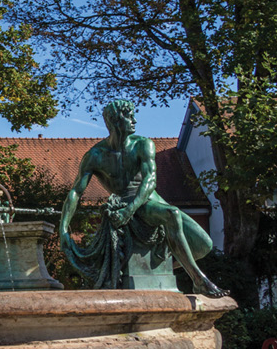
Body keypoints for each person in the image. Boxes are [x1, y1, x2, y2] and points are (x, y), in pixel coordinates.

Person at [59, 99, 225, 297]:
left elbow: (150, 180)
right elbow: (76, 192)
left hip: (147, 200)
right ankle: (199, 280)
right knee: (172, 214)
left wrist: (129, 210)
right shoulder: (95, 155)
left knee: (204, 244)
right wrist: (63, 228)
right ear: (114, 121)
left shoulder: (143, 145)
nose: (134, 120)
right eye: (128, 116)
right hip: (121, 200)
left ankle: (160, 267)